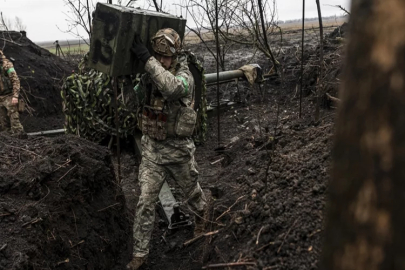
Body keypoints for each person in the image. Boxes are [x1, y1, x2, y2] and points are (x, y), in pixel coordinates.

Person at [126, 28, 207, 270]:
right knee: (145, 202)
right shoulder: (151, 75)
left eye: (166, 57)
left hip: (178, 150)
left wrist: (147, 60)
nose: (161, 61)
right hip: (152, 151)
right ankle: (140, 255)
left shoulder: (185, 75)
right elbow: (132, 102)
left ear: (176, 54)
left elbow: (172, 88)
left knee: (192, 192)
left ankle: (203, 219)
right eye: (157, 56)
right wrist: (125, 82)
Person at [0, 50, 25, 136]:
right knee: (3, 124)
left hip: (9, 96)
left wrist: (15, 96)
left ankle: (20, 138)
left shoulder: (6, 65)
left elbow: (15, 81)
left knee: (15, 121)